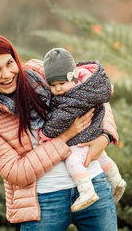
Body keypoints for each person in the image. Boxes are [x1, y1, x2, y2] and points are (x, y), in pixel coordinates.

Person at [0, 35, 119, 230]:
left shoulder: (40, 72)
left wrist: (105, 136)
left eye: (9, 63)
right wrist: (64, 137)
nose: (7, 74)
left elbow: (94, 96)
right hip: (44, 201)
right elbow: (17, 172)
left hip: (92, 182)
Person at [39, 48, 126, 212]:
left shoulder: (72, 99)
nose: (58, 89)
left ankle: (86, 191)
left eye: (62, 83)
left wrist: (45, 133)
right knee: (100, 156)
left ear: (73, 78)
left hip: (82, 136)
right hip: (96, 132)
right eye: (53, 85)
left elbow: (60, 119)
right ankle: (116, 180)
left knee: (72, 160)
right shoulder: (91, 87)